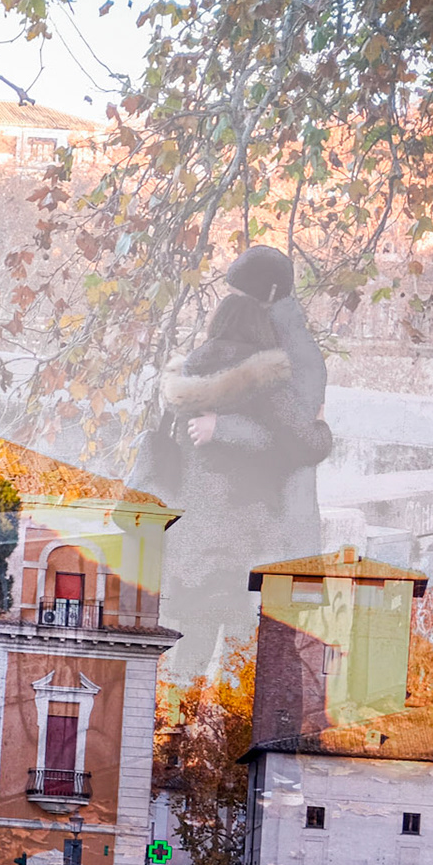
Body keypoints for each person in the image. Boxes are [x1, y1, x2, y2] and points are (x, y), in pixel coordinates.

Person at [133, 245, 330, 676]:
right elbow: (304, 446)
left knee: (187, 663)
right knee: (241, 670)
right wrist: (321, 426)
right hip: (246, 546)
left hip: (194, 546)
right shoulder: (266, 377)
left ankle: (176, 719)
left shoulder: (189, 372)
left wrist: (223, 428)